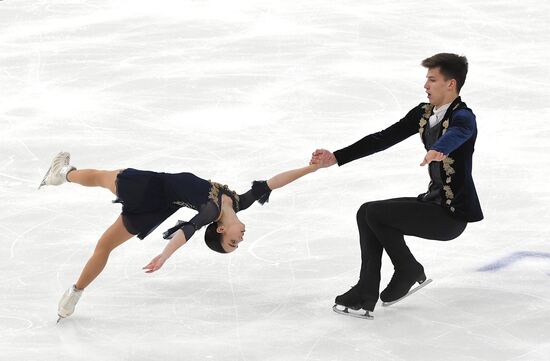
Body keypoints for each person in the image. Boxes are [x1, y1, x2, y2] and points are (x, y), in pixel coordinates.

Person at [39, 152, 320, 321]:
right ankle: (72, 296)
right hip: (159, 207)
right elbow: (274, 183)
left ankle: (62, 174)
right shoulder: (238, 201)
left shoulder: (211, 212)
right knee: (104, 245)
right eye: (238, 243)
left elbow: (188, 230)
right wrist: (313, 168)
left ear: (221, 230)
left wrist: (164, 255)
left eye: (233, 242)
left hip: (150, 189)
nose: (241, 239)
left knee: (103, 178)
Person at [311, 53, 483, 319]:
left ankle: (406, 269)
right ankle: (367, 291)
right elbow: (382, 138)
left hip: (451, 214)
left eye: (432, 79)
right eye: (426, 79)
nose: (426, 85)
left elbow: (459, 133)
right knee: (366, 212)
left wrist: (439, 148)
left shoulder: (464, 117)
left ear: (451, 84)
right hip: (432, 202)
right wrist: (337, 157)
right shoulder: (424, 114)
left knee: (376, 214)